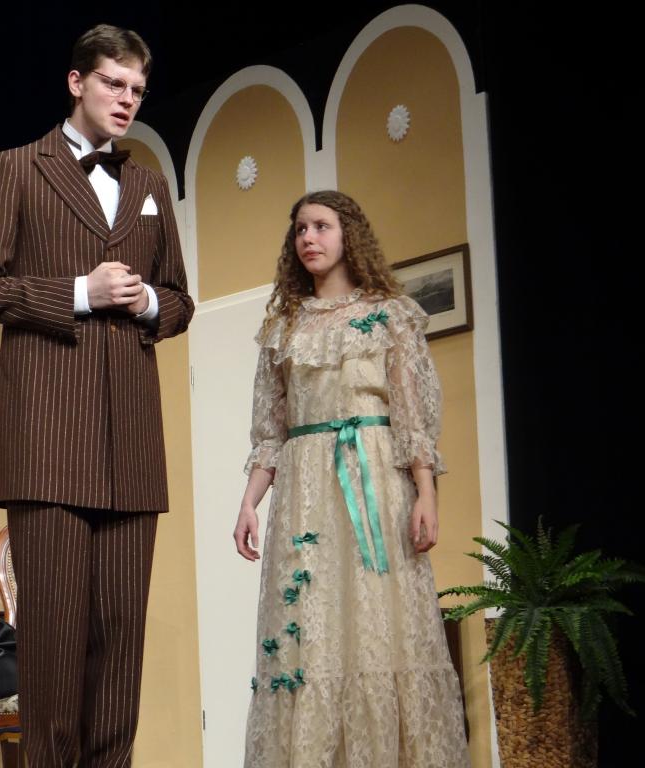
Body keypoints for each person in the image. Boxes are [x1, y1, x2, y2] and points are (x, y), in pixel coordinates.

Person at [0, 24, 193, 767]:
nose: (126, 100)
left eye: (137, 90)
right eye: (113, 83)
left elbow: (180, 300)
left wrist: (148, 302)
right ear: (76, 82)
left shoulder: (149, 185)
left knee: (120, 652)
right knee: (55, 653)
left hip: (132, 451)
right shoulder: (15, 168)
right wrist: (80, 293)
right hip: (49, 445)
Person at [233, 190, 470, 766]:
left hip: (375, 480)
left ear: (348, 235)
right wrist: (248, 503)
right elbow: (270, 429)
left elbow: (411, 416)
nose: (308, 238)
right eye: (300, 229)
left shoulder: (389, 314)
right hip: (305, 492)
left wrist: (426, 493)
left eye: (321, 226)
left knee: (378, 622)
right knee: (310, 629)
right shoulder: (284, 325)